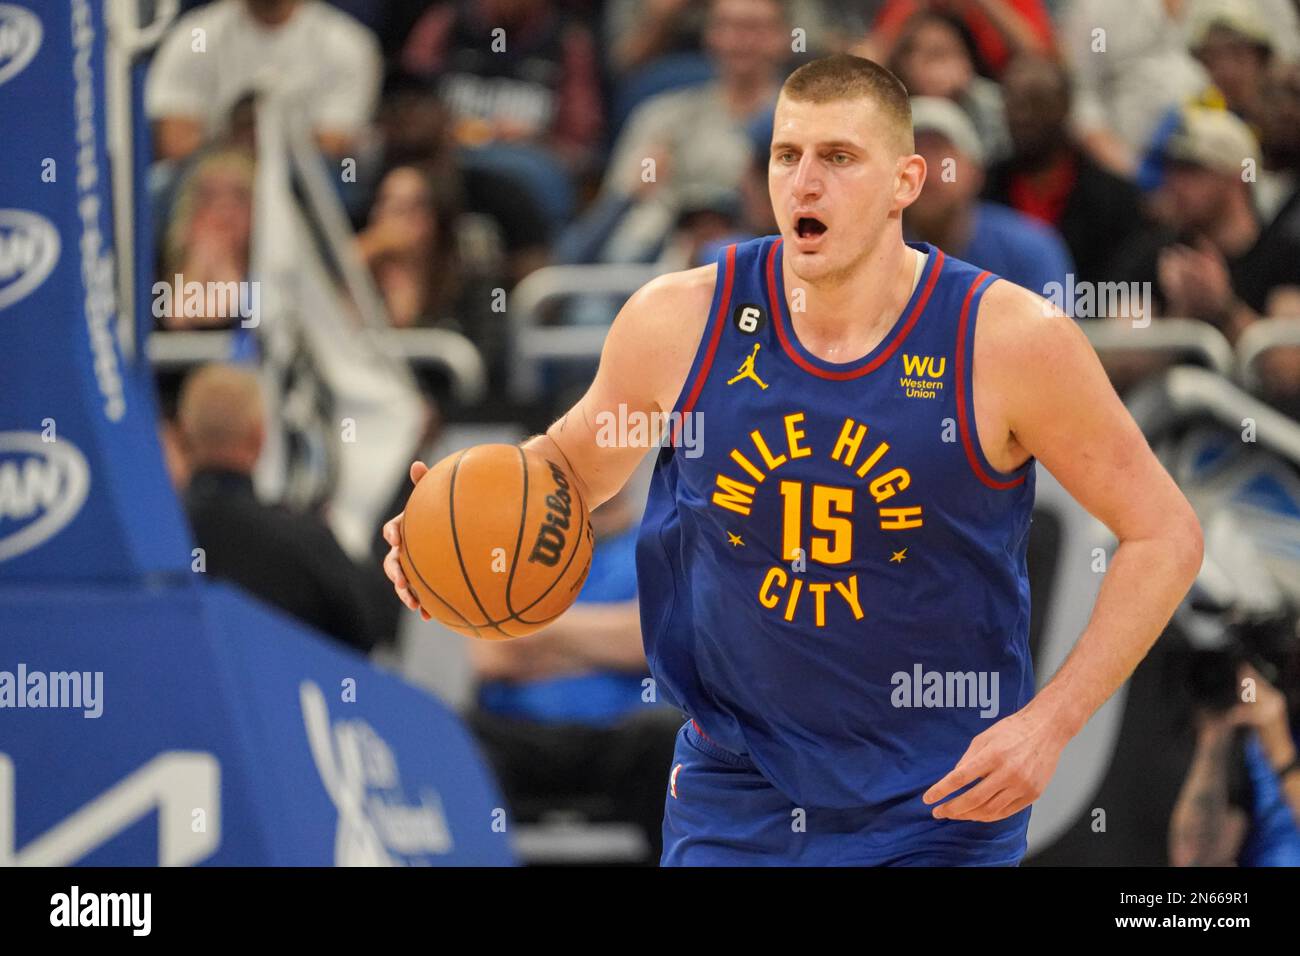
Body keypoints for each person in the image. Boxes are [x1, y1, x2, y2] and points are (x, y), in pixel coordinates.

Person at [384, 53, 1204, 866]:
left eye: (839, 158)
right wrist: (448, 527)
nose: (805, 182)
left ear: (906, 181)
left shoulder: (1010, 342)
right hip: (735, 790)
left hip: (938, 801)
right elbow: (563, 470)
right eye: (787, 155)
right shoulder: (682, 320)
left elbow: (1164, 533)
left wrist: (1051, 722)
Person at [179, 364, 381, 654]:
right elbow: (369, 625)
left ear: (184, 434)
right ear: (259, 438)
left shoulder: (149, 540)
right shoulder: (305, 542)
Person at [146, 0, 382, 162]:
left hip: (307, 183)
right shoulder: (197, 36)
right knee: (166, 181)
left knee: (345, 172)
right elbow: (175, 142)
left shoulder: (345, 43)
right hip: (219, 174)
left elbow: (334, 144)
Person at [983, 55, 1146, 286]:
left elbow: (1125, 283)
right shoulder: (983, 191)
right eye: (1014, 103)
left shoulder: (1115, 198)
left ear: (1066, 106)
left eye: (1037, 102)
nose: (1023, 115)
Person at [904, 95, 1075, 296]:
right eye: (912, 154)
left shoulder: (1031, 249)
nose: (928, 170)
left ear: (976, 172)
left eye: (940, 153)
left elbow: (1056, 325)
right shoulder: (873, 255)